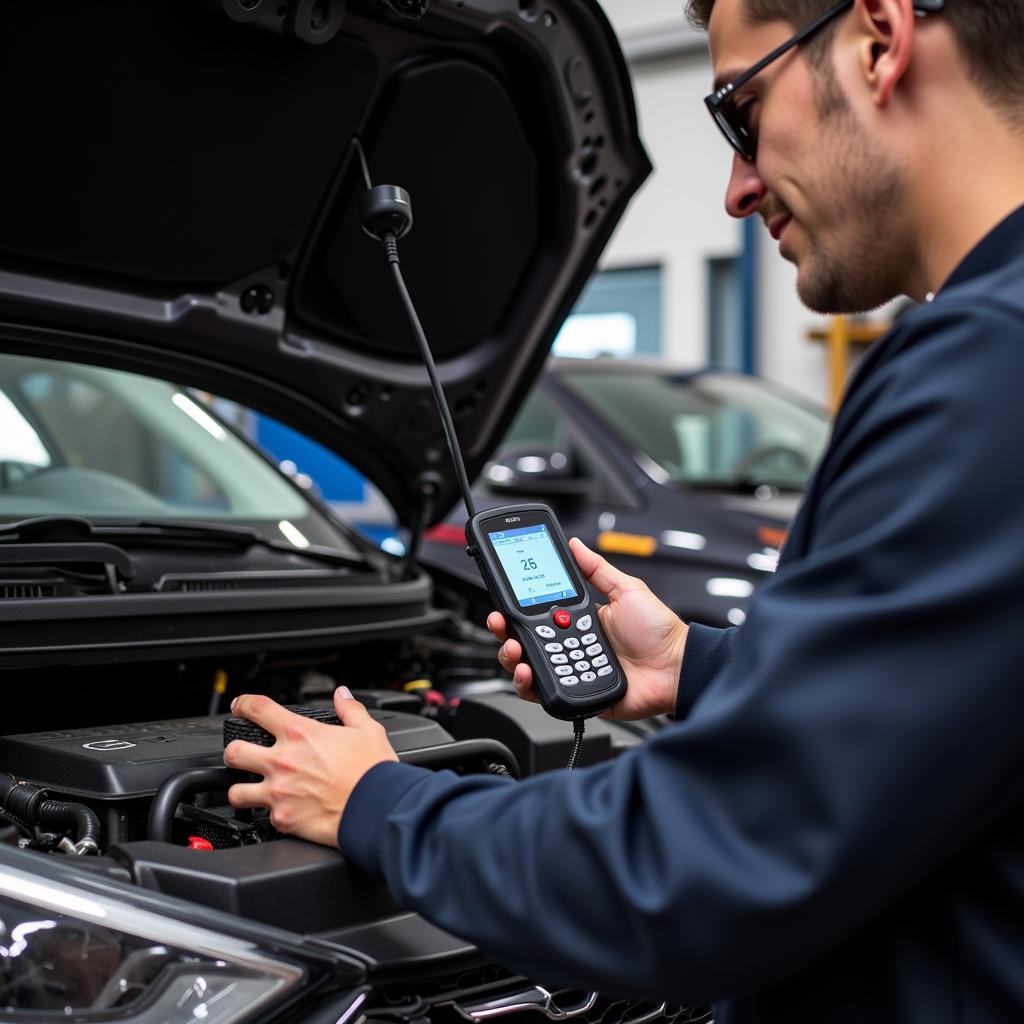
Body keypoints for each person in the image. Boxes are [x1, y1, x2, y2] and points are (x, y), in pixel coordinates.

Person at [223, 0, 1024, 1018]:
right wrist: (693, 661)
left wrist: (381, 803)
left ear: (878, 35)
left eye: (739, 110)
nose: (735, 189)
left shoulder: (985, 369)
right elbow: (958, 690)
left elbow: (694, 869)